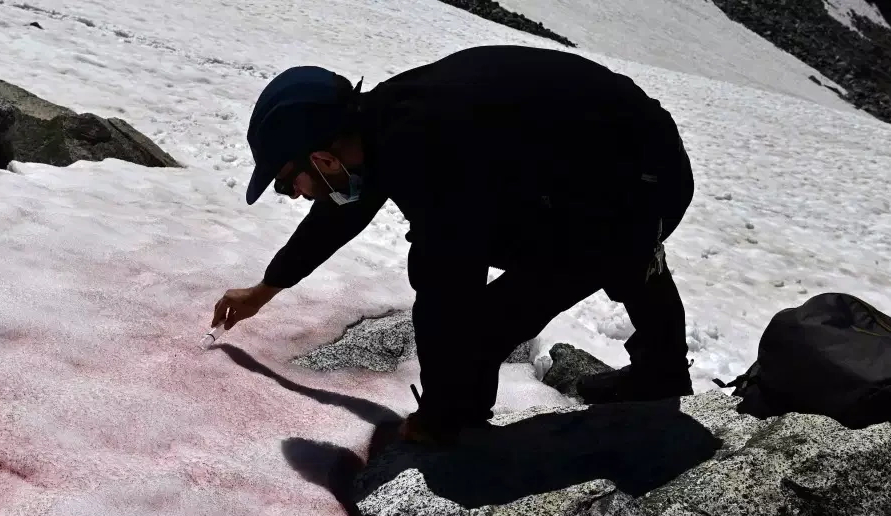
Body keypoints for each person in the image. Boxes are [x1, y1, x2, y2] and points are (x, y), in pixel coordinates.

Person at [212, 45, 696, 446]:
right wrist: (264, 290)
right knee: (500, 252)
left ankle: (655, 367)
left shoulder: (427, 152)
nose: (292, 193)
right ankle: (660, 356)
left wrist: (440, 417)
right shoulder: (381, 123)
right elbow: (339, 215)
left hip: (643, 179)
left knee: (476, 311)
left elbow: (449, 288)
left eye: (285, 181)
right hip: (618, 161)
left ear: (322, 158)